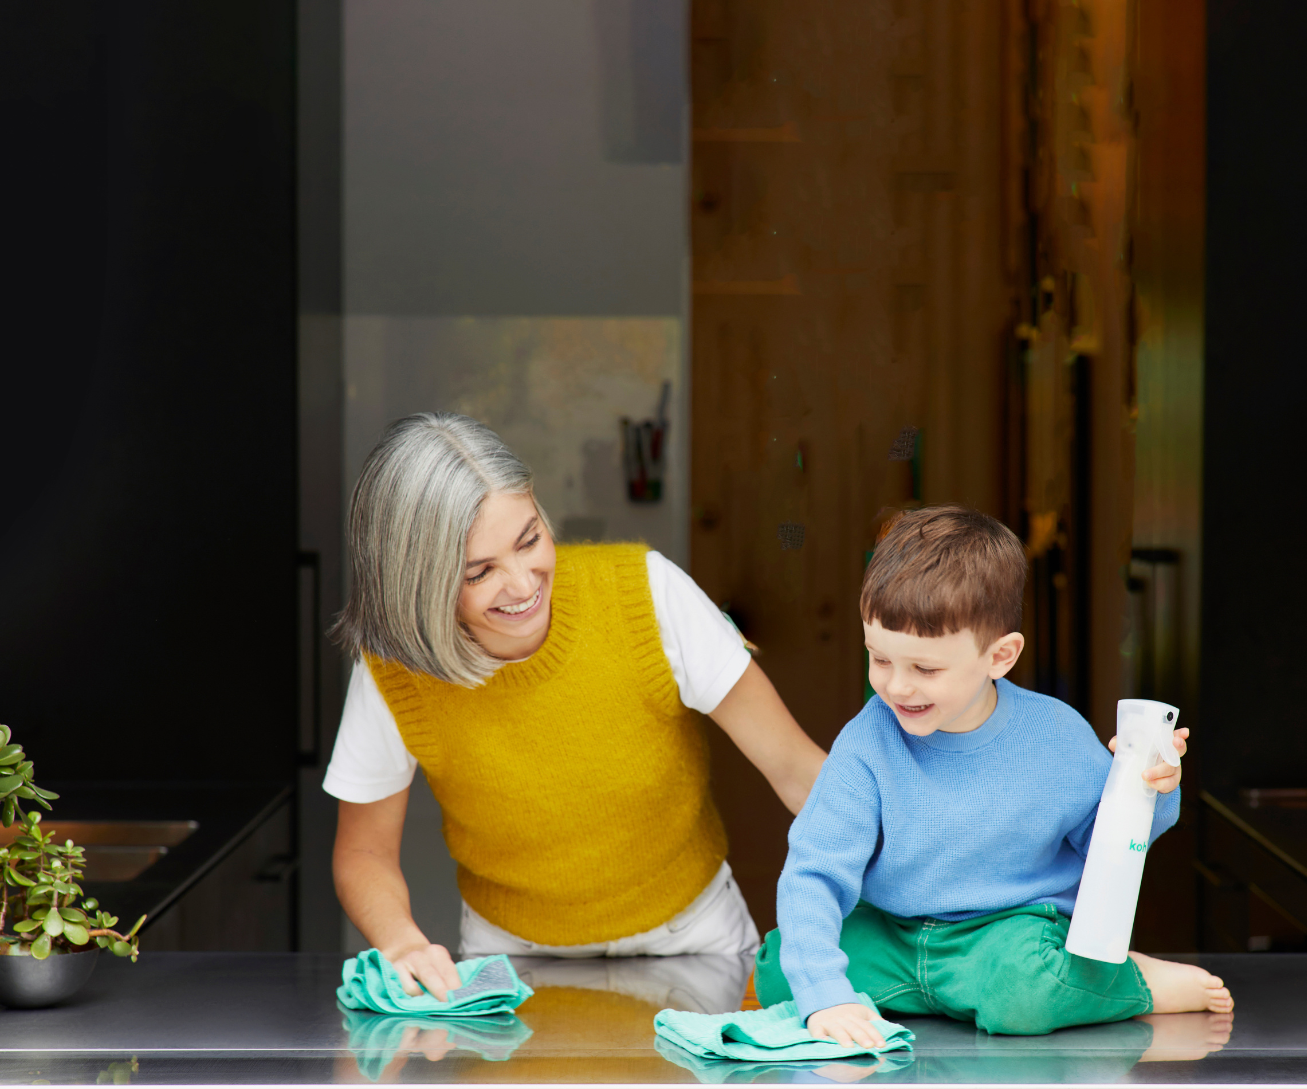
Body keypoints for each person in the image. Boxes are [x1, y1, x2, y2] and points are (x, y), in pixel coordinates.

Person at [323, 412, 826, 1002]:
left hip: (696, 935)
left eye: (530, 539)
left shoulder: (647, 593)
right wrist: (401, 942)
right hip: (511, 955)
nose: (522, 583)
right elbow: (364, 851)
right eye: (480, 572)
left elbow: (798, 772)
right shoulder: (394, 666)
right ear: (418, 583)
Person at [753, 505, 1234, 1045]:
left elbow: (1110, 844)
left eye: (926, 669)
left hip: (1009, 934)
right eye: (879, 659)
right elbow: (814, 873)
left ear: (1000, 656)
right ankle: (955, 991)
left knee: (1020, 991)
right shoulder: (868, 739)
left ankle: (1133, 980)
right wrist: (825, 996)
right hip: (894, 934)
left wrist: (1147, 789)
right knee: (778, 971)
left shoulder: (1054, 735)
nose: (896, 688)